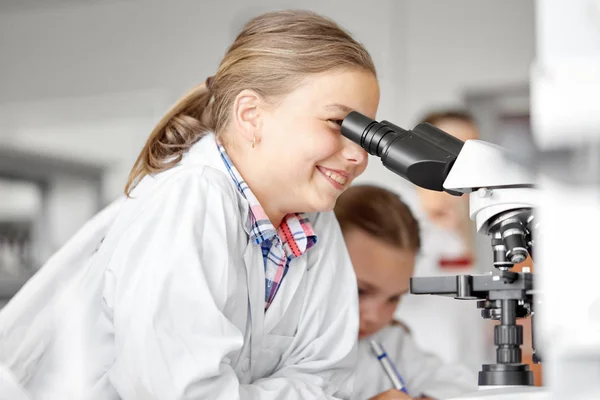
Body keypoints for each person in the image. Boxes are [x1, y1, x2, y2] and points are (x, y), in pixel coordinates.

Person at [0, 10, 380, 399]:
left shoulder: (315, 223)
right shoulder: (189, 199)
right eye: (338, 124)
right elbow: (181, 393)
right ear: (251, 116)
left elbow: (331, 379)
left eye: (366, 135)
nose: (358, 156)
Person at [334, 185, 477, 400]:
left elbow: (454, 383)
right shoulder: (283, 333)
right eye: (360, 291)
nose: (375, 317)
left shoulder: (389, 342)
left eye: (394, 298)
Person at [394, 110, 496, 376]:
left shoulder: (458, 225)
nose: (467, 162)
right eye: (454, 148)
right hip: (419, 381)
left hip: (466, 377)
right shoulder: (397, 220)